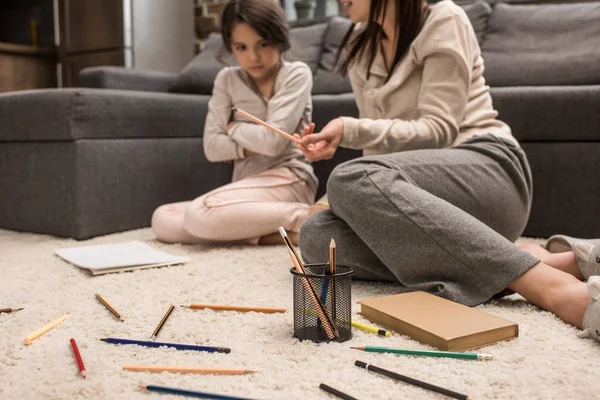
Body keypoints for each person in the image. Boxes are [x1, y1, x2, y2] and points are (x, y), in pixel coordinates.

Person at [296, 0, 600, 342]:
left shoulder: (444, 19)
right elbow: (379, 158)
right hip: (425, 202)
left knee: (349, 178)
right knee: (317, 236)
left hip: (488, 169)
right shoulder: (358, 43)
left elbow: (439, 129)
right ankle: (519, 259)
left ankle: (550, 286)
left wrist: (350, 130)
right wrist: (337, 203)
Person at [151, 0, 317, 246]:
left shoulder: (296, 74)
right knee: (163, 218)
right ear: (231, 47)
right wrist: (252, 141)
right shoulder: (226, 80)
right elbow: (211, 146)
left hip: (289, 179)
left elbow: (273, 144)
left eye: (263, 44)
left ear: (279, 39)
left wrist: (233, 129)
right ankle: (279, 234)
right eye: (241, 47)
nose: (253, 56)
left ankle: (310, 218)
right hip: (244, 186)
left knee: (199, 215)